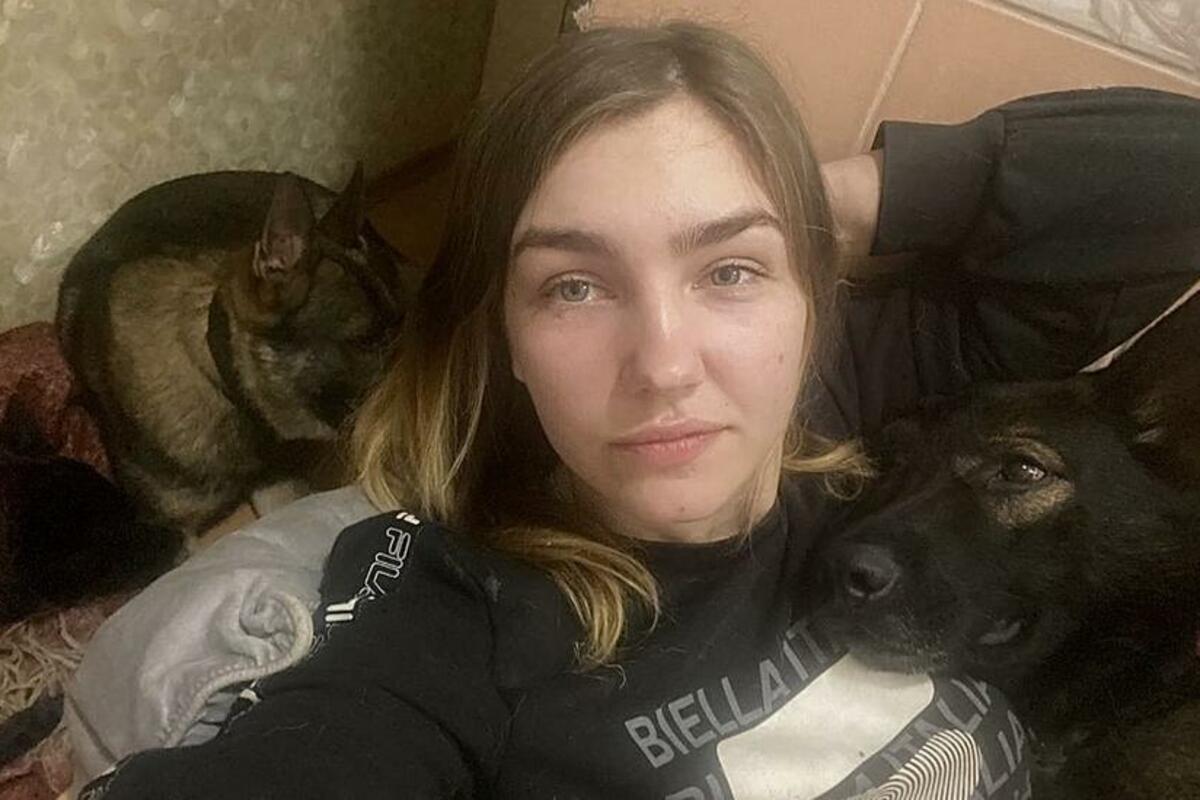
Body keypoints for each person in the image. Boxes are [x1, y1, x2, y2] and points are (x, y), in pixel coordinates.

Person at [80, 22, 1200, 800]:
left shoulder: (876, 422)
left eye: (732, 270)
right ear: (505, 341)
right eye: (574, 284)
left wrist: (841, 198)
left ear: (813, 302)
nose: (665, 364)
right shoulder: (460, 624)